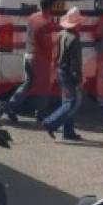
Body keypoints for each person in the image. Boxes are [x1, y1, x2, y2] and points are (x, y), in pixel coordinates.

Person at [5, 0, 56, 123]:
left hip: (28, 54)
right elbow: (47, 44)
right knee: (44, 86)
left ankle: (11, 106)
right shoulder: (45, 23)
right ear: (50, 7)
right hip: (40, 58)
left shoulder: (33, 18)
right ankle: (41, 114)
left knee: (28, 83)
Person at [43, 7, 84, 141]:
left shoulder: (61, 34)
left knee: (66, 101)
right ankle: (50, 122)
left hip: (61, 70)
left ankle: (68, 131)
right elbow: (75, 63)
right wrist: (78, 78)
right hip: (69, 73)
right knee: (72, 102)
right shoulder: (74, 39)